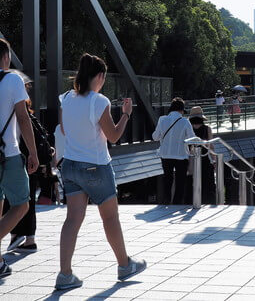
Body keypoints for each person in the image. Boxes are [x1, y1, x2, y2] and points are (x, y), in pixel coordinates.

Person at [56, 53, 145, 290]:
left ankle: (65, 274)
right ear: (100, 76)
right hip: (96, 166)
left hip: (70, 165)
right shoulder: (99, 101)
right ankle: (124, 265)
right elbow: (114, 136)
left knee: (72, 220)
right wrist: (126, 114)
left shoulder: (66, 98)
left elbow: (64, 130)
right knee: (110, 217)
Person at [0, 38, 39, 278]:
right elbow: (23, 118)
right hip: (8, 153)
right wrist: (33, 152)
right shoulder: (12, 79)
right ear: (5, 57)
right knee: (21, 204)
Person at [3, 86, 53, 254]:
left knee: (15, 201)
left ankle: (16, 235)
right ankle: (28, 239)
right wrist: (34, 155)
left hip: (16, 158)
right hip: (25, 159)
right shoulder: (28, 113)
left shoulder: (15, 113)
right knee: (26, 201)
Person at [153, 97, 196, 205]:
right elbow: (192, 138)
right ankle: (177, 202)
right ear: (181, 110)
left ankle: (166, 200)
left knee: (167, 179)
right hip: (181, 155)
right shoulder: (185, 122)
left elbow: (155, 137)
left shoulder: (162, 119)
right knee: (180, 181)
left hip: (166, 154)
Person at [187, 106, 214, 204]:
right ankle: (205, 202)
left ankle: (192, 202)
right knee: (206, 183)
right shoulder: (207, 129)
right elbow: (211, 147)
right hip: (205, 159)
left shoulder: (188, 129)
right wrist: (214, 160)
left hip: (190, 160)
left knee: (191, 183)